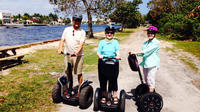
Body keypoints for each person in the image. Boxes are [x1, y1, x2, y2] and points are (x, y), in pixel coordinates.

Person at [57, 14, 86, 98]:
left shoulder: (82, 32)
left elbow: (81, 44)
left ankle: (79, 89)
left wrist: (76, 52)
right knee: (68, 71)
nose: (77, 22)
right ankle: (70, 87)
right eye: (75, 20)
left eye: (79, 20)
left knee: (78, 72)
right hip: (67, 55)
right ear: (73, 20)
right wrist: (60, 48)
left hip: (78, 56)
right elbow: (62, 40)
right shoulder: (66, 29)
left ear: (80, 22)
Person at [129, 26, 160, 93]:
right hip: (146, 63)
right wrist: (135, 54)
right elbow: (143, 53)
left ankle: (151, 95)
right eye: (148, 33)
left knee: (150, 79)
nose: (150, 34)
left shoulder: (156, 43)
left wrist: (136, 52)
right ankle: (147, 92)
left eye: (152, 33)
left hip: (153, 63)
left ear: (154, 34)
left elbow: (148, 51)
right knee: (146, 79)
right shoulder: (145, 43)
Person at [97, 26, 120, 105]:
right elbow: (98, 52)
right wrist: (100, 55)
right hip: (103, 62)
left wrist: (118, 56)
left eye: (111, 33)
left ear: (113, 34)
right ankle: (104, 95)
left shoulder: (115, 42)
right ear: (105, 33)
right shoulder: (101, 42)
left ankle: (114, 96)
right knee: (103, 79)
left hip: (113, 62)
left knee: (113, 79)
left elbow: (117, 51)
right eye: (108, 33)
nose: (109, 34)